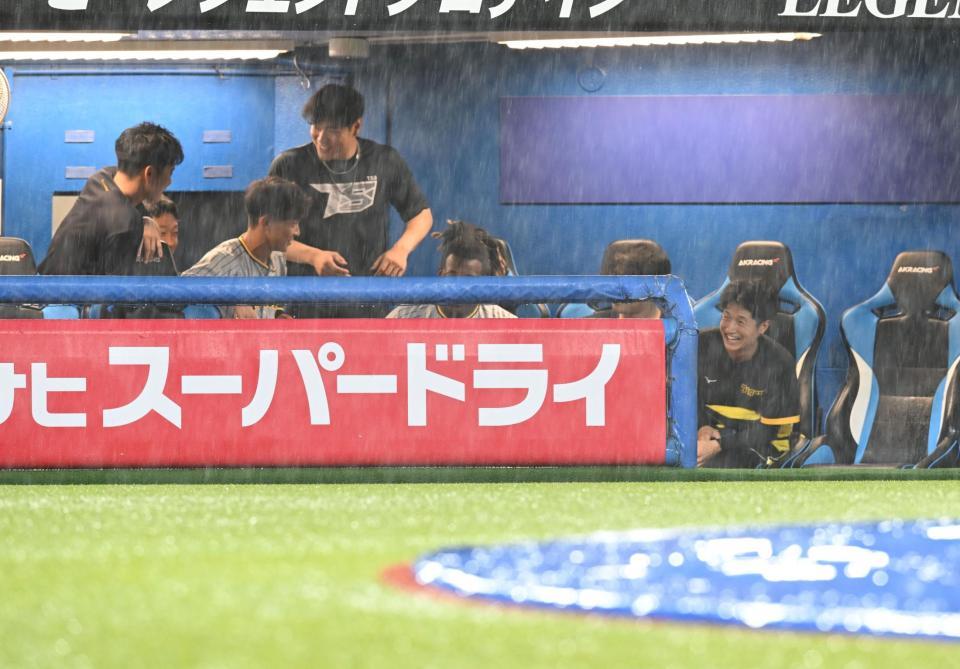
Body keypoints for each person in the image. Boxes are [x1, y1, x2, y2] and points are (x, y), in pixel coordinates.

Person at [269, 83, 433, 317]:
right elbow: (268, 235)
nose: (322, 139)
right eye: (316, 127)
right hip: (304, 301)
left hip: (368, 299)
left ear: (355, 126)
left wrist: (401, 250)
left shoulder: (384, 160)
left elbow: (421, 215)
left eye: (333, 129)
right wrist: (314, 256)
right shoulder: (289, 165)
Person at [39, 122, 183, 276]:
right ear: (149, 174)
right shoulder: (123, 226)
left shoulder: (101, 179)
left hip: (43, 285)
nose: (169, 182)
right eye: (170, 172)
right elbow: (117, 293)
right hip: (64, 297)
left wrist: (145, 219)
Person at [697, 279, 800, 468]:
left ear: (763, 327)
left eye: (741, 321)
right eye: (726, 317)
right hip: (709, 445)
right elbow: (684, 398)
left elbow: (767, 432)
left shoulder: (780, 363)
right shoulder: (701, 345)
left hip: (762, 450)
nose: (730, 328)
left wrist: (719, 445)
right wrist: (702, 428)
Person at [182, 177, 310, 319]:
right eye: (292, 224)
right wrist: (233, 299)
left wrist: (278, 316)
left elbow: (270, 308)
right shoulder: (224, 259)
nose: (297, 232)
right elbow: (178, 290)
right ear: (266, 222)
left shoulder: (278, 259)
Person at [387, 220, 516, 319]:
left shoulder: (503, 322)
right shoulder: (403, 318)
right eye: (452, 276)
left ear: (482, 284)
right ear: (441, 275)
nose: (457, 288)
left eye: (468, 280)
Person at [598, 239, 671, 319]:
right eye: (613, 277)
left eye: (628, 280)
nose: (616, 288)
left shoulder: (680, 328)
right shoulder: (589, 327)